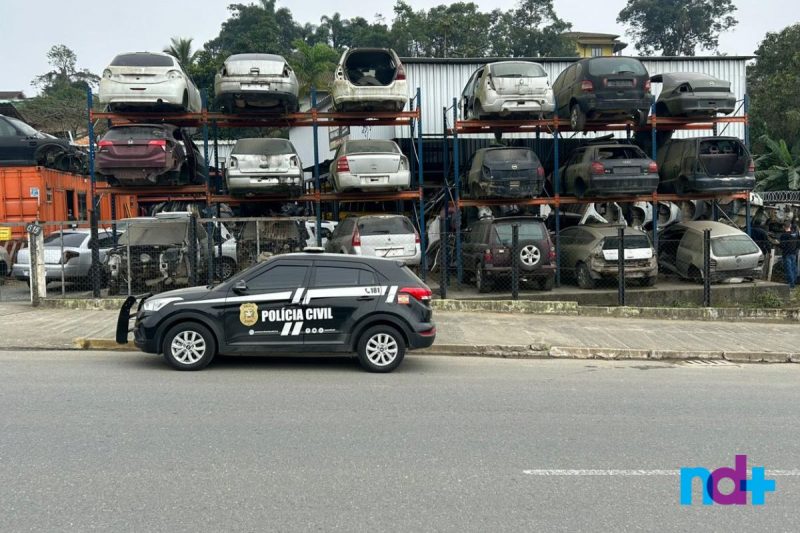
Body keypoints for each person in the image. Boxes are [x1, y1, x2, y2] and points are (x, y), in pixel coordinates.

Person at [779, 221, 798, 289]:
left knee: (788, 269)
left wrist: (778, 243)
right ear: (790, 226)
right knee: (794, 268)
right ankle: (795, 282)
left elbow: (782, 245)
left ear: (783, 227)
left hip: (786, 254)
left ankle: (791, 284)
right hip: (794, 253)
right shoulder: (795, 234)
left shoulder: (783, 235)